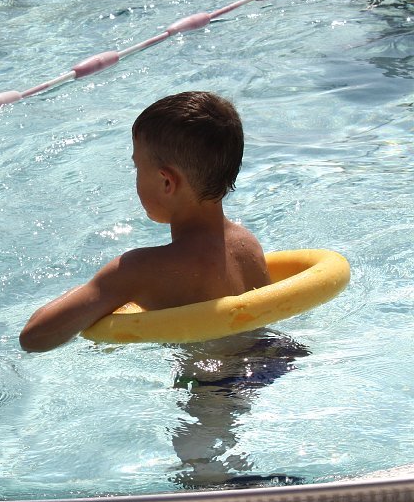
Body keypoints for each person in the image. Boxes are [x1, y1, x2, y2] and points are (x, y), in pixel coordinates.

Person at [20, 91, 270, 352]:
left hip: (220, 378)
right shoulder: (247, 243)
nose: (136, 176)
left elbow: (34, 337)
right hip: (276, 358)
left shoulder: (140, 269)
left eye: (137, 167)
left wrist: (99, 289)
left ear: (166, 182)